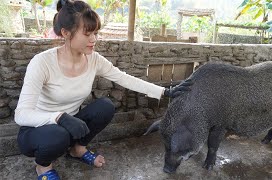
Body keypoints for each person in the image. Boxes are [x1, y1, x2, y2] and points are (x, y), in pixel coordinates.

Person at [14, 0, 192, 179]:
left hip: (72, 123)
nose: (94, 39)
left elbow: (123, 78)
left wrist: (164, 91)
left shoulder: (93, 59)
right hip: (38, 129)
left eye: (95, 33)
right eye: (87, 33)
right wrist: (58, 117)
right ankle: (43, 166)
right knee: (57, 135)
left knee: (105, 106)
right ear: (66, 33)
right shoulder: (42, 62)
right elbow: (21, 114)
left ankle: (78, 150)